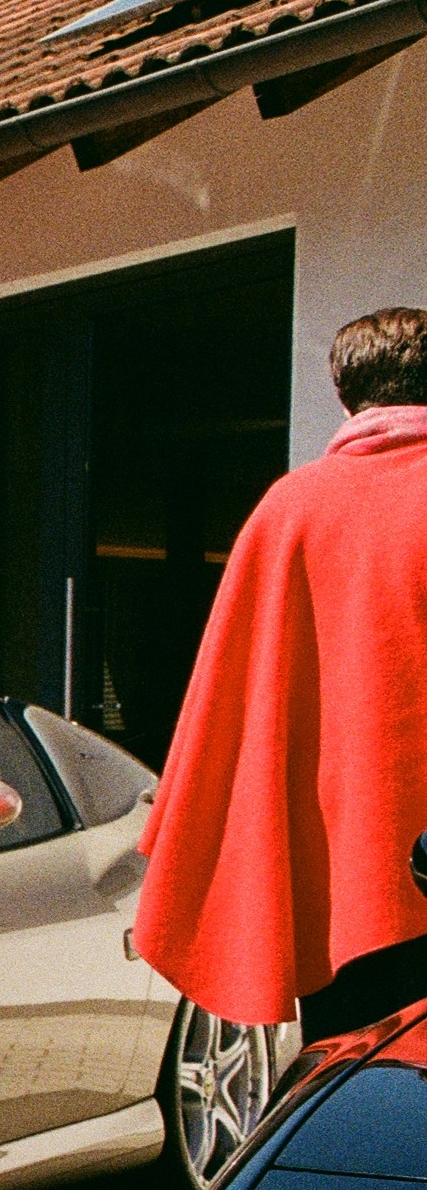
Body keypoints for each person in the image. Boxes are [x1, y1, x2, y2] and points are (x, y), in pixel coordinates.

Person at [137, 307, 427, 1043]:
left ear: (346, 400)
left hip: (337, 895)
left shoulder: (288, 509)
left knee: (350, 1094)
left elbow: (230, 702)